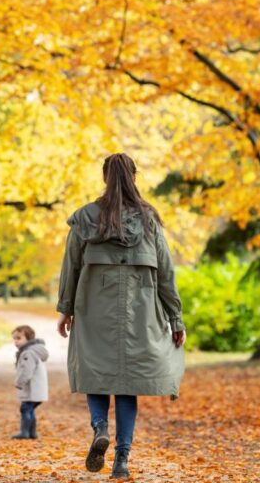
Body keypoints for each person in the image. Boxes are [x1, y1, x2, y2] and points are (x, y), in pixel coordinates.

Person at [56, 152, 186, 480]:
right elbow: (167, 273)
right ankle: (122, 460)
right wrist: (176, 318)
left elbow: (70, 266)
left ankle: (100, 428)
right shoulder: (149, 220)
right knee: (127, 385)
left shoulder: (85, 217)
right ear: (134, 177)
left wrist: (65, 309)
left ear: (105, 178)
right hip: (140, 313)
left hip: (94, 309)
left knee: (96, 373)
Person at [11, 325, 49, 440]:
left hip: (32, 389)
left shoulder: (28, 353)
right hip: (37, 389)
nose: (15, 341)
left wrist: (19, 382)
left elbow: (27, 371)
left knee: (25, 409)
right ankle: (32, 433)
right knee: (29, 409)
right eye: (14, 339)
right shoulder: (33, 351)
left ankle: (25, 432)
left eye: (19, 338)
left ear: (29, 339)